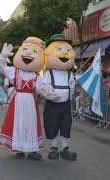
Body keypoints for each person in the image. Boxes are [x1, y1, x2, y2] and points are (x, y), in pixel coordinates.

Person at [0, 37, 45, 160]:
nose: (29, 54)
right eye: (25, 50)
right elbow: (2, 68)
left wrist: (51, 92)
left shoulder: (36, 76)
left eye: (34, 52)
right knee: (18, 123)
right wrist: (3, 57)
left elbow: (42, 89)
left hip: (30, 102)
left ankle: (33, 149)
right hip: (17, 101)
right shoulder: (15, 72)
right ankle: (19, 148)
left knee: (30, 124)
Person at [38, 33, 77, 161]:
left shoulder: (69, 73)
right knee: (52, 125)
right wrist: (51, 94)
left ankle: (65, 148)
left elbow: (72, 86)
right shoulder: (49, 73)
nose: (64, 53)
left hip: (65, 104)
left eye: (67, 49)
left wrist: (68, 97)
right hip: (52, 104)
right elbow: (44, 85)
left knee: (66, 125)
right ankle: (54, 147)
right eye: (59, 49)